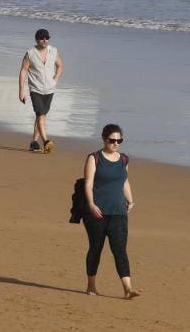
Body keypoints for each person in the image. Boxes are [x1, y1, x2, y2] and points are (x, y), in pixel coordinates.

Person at [83, 124, 140, 299]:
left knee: (120, 250)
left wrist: (130, 200)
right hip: (97, 213)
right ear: (104, 139)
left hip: (118, 213)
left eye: (119, 140)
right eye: (112, 140)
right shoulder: (94, 158)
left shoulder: (124, 159)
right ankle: (91, 285)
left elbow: (125, 182)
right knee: (96, 249)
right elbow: (88, 184)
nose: (115, 143)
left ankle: (128, 289)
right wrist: (91, 204)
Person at [18, 28, 63, 153]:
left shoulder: (53, 51)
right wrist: (22, 90)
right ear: (37, 39)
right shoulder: (30, 53)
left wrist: (55, 79)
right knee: (41, 114)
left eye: (47, 38)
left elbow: (60, 65)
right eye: (42, 38)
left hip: (50, 89)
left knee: (40, 116)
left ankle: (33, 143)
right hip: (35, 89)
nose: (45, 40)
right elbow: (23, 71)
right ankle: (46, 141)